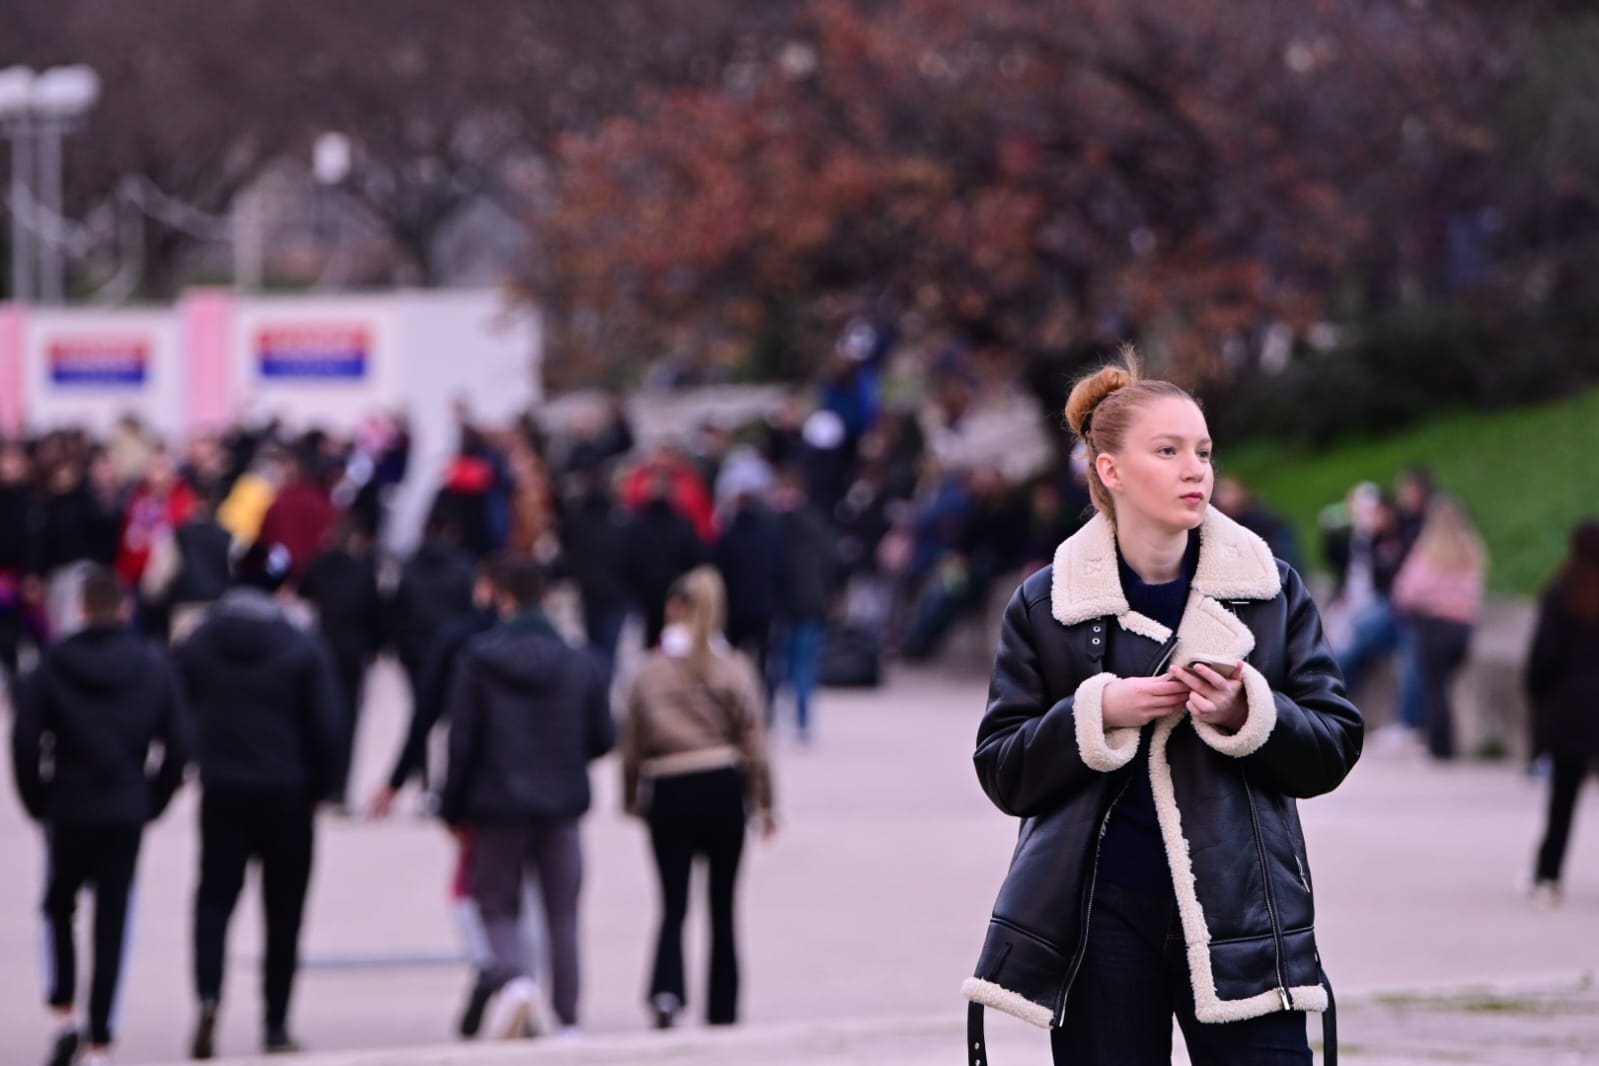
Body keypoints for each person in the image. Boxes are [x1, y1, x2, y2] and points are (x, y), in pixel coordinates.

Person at [961, 350, 1362, 1066]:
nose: (1195, 470)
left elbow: (1332, 745)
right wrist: (1098, 712)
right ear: (1110, 470)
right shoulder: (1046, 604)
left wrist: (1248, 712)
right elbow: (1003, 770)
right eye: (1168, 451)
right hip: (1098, 916)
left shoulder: (1269, 589)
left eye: (1203, 452)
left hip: (1243, 915)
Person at [11, 568, 189, 1066]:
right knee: (112, 918)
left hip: (68, 802)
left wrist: (37, 801)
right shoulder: (152, 666)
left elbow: (25, 741)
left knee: (58, 905)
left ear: (81, 609)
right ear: (126, 610)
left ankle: (65, 1008)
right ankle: (100, 1038)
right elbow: (178, 744)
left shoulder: (51, 665)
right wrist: (153, 799)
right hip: (125, 805)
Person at [174, 542, 343, 1058]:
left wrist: (194, 757)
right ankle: (275, 1022)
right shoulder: (300, 645)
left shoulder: (200, 642)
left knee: (214, 898)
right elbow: (328, 726)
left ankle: (208, 995)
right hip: (287, 791)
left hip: (224, 788)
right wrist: (322, 788)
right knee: (284, 911)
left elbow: (175, 704)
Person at [439, 556, 615, 1040]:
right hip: (562, 803)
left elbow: (462, 740)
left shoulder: (478, 660)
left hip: (497, 802)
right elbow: (604, 736)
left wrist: (452, 804)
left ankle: (514, 980)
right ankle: (569, 1019)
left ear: (504, 599)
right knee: (562, 913)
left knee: (497, 902)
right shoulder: (580, 660)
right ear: (548, 598)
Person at [622, 567, 776, 1030]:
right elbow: (755, 741)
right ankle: (722, 1006)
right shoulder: (734, 667)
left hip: (670, 785)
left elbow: (632, 743)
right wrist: (765, 801)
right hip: (723, 784)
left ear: (675, 608)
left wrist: (631, 796)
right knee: (723, 905)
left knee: (672, 902)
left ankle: (667, 990)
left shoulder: (650, 671)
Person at [1526, 520, 1599, 908]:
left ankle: (1548, 875)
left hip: (1570, 710)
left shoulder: (1562, 592)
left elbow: (1544, 655)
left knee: (1562, 800)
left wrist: (1538, 696)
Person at [1391, 495, 1488, 760]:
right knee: (1445, 687)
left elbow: (1407, 591)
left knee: (1435, 689)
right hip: (1463, 627)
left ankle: (1440, 747)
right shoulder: (1471, 548)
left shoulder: (1429, 550)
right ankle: (1446, 742)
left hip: (1435, 626)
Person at [299, 519, 386, 808]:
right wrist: (375, 649)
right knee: (347, 720)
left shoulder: (319, 565)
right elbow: (376, 614)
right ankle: (339, 787)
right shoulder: (363, 571)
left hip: (322, 648)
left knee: (316, 714)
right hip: (353, 653)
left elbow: (303, 594)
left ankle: (317, 782)